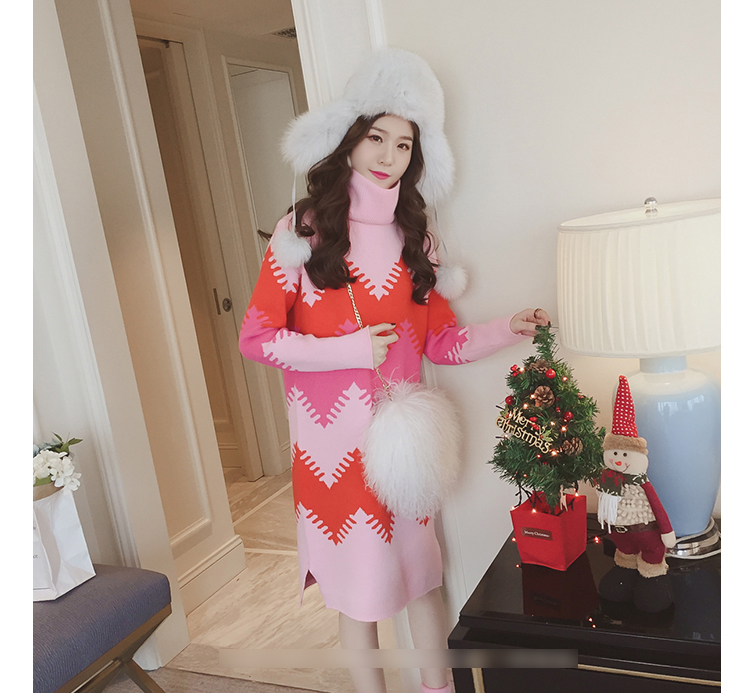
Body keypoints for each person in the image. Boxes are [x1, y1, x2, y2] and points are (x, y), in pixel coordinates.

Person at [238, 48, 551, 693]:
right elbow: (256, 339)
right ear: (350, 138)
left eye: (404, 144)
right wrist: (348, 351)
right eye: (376, 137)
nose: (388, 156)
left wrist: (507, 329)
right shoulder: (301, 232)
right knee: (361, 598)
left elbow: (441, 343)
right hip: (332, 449)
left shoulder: (416, 238)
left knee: (420, 578)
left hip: (405, 448)